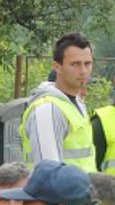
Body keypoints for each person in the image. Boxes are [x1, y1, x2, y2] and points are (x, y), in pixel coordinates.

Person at [21, 33, 97, 171]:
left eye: (88, 64)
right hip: (62, 193)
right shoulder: (47, 110)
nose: (83, 71)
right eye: (75, 64)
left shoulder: (76, 104)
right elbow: (49, 173)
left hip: (85, 191)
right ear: (57, 67)